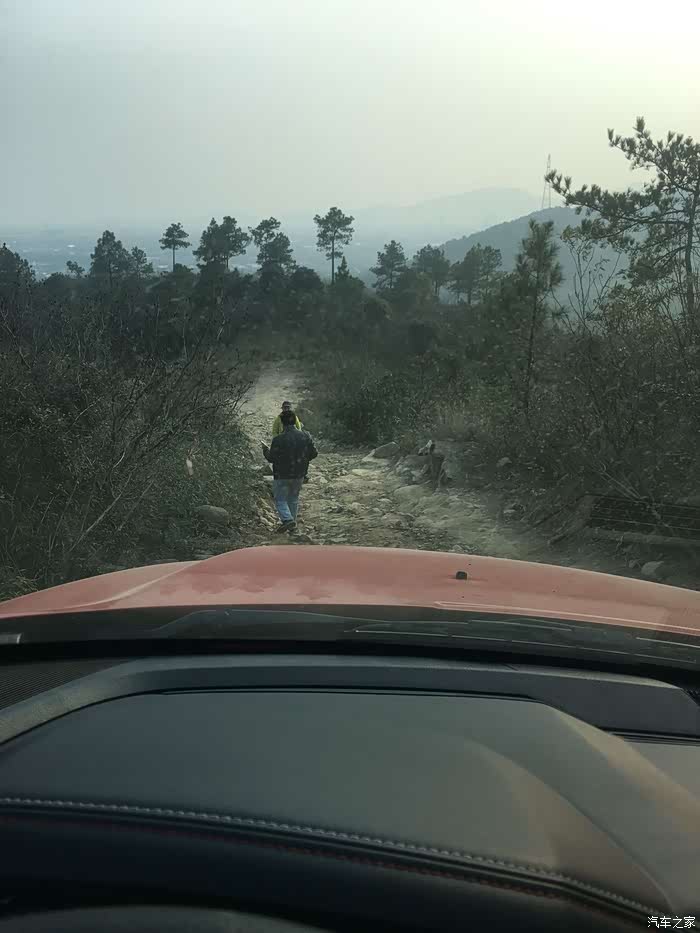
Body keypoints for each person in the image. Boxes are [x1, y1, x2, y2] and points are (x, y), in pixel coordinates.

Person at [262, 410, 318, 532]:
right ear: (295, 421)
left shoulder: (278, 439)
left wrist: (265, 450)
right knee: (293, 499)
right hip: (299, 474)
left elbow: (271, 458)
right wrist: (303, 460)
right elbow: (314, 453)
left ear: (282, 423)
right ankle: (293, 526)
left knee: (280, 499)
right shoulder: (305, 436)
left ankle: (287, 520)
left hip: (282, 474)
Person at [272, 400, 309, 483]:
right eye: (285, 408)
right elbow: (274, 431)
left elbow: (299, 428)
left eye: (287, 407)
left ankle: (303, 474)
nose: (286, 409)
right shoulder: (279, 418)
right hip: (282, 441)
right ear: (282, 408)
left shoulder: (294, 417)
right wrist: (278, 439)